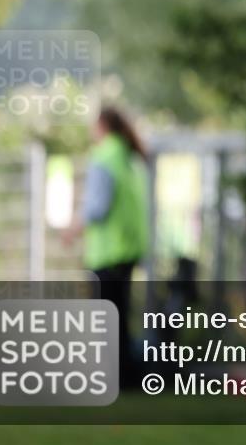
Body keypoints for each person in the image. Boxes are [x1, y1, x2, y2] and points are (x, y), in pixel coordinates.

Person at [65, 106, 149, 389]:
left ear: (101, 126)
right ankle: (125, 377)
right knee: (119, 316)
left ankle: (112, 377)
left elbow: (97, 207)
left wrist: (73, 229)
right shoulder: (129, 157)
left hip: (108, 251)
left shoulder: (104, 157)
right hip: (128, 249)